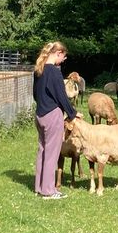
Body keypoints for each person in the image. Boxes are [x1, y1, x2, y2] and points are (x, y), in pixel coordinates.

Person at [32, 40, 79, 199]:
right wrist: (73, 113)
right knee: (52, 154)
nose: (63, 61)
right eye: (63, 57)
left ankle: (39, 187)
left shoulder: (39, 69)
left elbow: (35, 94)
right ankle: (48, 191)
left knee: (43, 151)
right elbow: (61, 96)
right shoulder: (54, 72)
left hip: (40, 115)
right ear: (58, 53)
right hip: (52, 116)